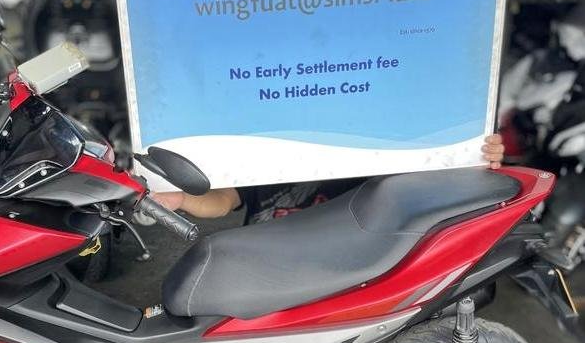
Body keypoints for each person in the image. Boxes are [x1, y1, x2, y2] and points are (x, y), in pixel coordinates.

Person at [153, 133, 506, 225]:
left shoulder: (373, 157)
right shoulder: (259, 156)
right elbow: (222, 201)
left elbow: (427, 182)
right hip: (267, 278)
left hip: (340, 284)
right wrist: (181, 199)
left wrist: (469, 157)